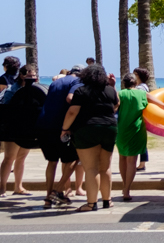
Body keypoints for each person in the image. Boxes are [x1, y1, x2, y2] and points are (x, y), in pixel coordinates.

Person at [63, 63, 118, 211]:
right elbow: (116, 105)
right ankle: (107, 201)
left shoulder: (81, 91)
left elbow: (72, 112)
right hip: (109, 128)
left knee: (91, 168)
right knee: (105, 167)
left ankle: (91, 203)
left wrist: (64, 129)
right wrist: (112, 86)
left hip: (87, 129)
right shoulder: (110, 91)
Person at [0, 64, 44, 197]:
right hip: (14, 127)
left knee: (21, 157)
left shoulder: (36, 90)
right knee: (9, 158)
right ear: (21, 75)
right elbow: (7, 108)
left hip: (28, 128)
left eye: (34, 75)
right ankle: (2, 188)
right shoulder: (12, 89)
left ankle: (18, 187)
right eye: (29, 75)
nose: (32, 78)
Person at [37, 66, 81, 208]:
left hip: (44, 124)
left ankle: (48, 199)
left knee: (52, 161)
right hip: (61, 126)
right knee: (73, 159)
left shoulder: (55, 82)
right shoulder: (78, 82)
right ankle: (57, 191)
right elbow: (70, 98)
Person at [115, 71, 150, 200]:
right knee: (132, 161)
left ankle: (125, 186)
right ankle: (127, 190)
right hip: (136, 130)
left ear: (124, 83)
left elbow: (113, 108)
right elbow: (159, 103)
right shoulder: (142, 94)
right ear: (135, 82)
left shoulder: (120, 94)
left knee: (122, 158)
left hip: (121, 130)